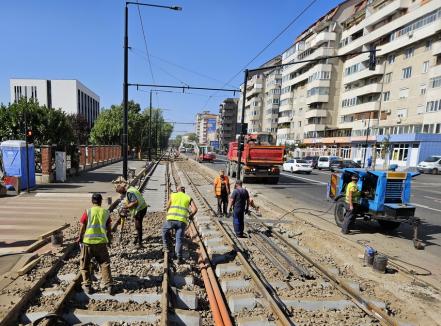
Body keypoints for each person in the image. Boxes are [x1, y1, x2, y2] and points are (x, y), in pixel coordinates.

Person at [78, 193, 113, 295]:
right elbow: (109, 228)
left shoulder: (88, 212)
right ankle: (109, 285)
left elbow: (82, 226)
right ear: (101, 201)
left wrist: (80, 237)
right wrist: (109, 239)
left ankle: (87, 286)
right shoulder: (105, 212)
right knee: (104, 263)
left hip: (88, 243)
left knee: (85, 264)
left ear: (92, 201)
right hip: (101, 242)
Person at [162, 185, 198, 264]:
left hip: (171, 219)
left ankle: (166, 246)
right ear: (184, 191)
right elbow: (195, 209)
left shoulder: (173, 195)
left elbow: (167, 207)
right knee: (179, 239)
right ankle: (179, 258)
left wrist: (169, 213)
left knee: (164, 230)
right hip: (181, 222)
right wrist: (190, 216)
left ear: (177, 190)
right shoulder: (188, 197)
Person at [116, 182, 147, 248]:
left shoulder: (129, 192)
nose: (121, 195)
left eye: (121, 193)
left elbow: (135, 202)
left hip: (140, 209)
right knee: (138, 225)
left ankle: (140, 243)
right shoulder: (131, 188)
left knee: (138, 226)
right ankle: (138, 238)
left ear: (122, 191)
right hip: (143, 207)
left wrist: (126, 207)